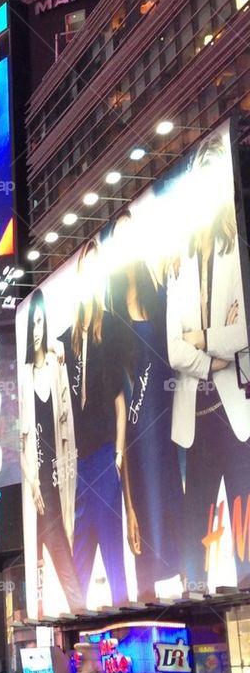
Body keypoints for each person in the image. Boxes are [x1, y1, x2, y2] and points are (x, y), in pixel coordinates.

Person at [166, 133, 250, 591]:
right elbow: (172, 350)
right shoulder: (179, 264)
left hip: (235, 412)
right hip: (193, 419)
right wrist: (214, 354)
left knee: (244, 533)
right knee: (195, 534)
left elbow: (243, 333)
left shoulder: (236, 253)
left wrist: (199, 337)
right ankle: (195, 592)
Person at [106, 208, 184, 597]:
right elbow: (118, 404)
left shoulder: (162, 292)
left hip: (177, 431)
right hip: (139, 444)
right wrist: (130, 505)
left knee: (186, 543)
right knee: (149, 556)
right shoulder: (113, 318)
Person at [61, 237, 133, 609]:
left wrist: (118, 454)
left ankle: (123, 610)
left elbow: (120, 401)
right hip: (78, 460)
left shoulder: (111, 328)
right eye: (84, 268)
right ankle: (76, 620)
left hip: (104, 452)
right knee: (80, 552)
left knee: (111, 546)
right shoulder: (70, 338)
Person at [19, 289, 83, 615]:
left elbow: (69, 424)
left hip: (56, 488)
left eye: (40, 321)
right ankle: (62, 612)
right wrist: (32, 484)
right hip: (34, 497)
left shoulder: (57, 366)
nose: (35, 330)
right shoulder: (23, 378)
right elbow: (20, 444)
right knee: (36, 573)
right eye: (32, 323)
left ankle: (77, 609)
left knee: (63, 560)